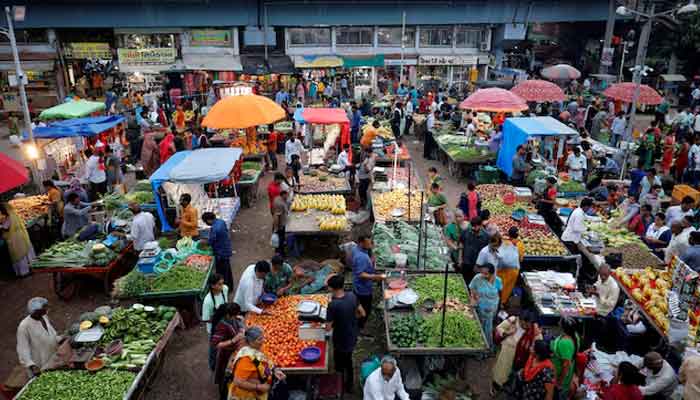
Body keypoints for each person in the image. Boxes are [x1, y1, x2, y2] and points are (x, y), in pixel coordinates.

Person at [326, 274, 363, 393]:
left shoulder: (333, 305)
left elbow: (328, 327)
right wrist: (351, 318)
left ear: (331, 288)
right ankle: (349, 384)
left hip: (341, 338)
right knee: (348, 360)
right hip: (352, 334)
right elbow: (362, 313)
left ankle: (341, 384)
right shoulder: (352, 296)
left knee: (341, 363)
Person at [228, 326, 287, 400]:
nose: (263, 341)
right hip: (247, 395)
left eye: (263, 337)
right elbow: (238, 382)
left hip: (260, 391)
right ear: (251, 341)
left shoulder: (258, 348)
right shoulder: (245, 359)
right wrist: (258, 387)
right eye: (259, 339)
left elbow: (266, 361)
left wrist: (275, 370)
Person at [492, 310, 542, 394]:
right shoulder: (513, 320)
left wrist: (533, 347)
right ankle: (495, 388)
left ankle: (509, 387)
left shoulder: (535, 332)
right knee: (500, 373)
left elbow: (539, 346)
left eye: (527, 324)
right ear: (520, 319)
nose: (524, 326)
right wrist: (507, 333)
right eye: (522, 323)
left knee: (514, 376)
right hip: (506, 354)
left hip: (521, 360)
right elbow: (499, 328)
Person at [16, 297, 61, 377]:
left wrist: (59, 339)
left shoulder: (44, 317)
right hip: (39, 365)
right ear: (36, 311)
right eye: (44, 307)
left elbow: (51, 333)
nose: (47, 309)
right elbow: (23, 349)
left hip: (51, 358)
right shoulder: (24, 326)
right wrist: (31, 365)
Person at [210, 303, 245, 400]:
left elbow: (239, 325)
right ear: (228, 315)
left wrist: (241, 326)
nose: (237, 316)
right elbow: (216, 344)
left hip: (233, 352)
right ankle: (223, 395)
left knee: (231, 376)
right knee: (224, 377)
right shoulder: (222, 325)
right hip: (225, 355)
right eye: (235, 314)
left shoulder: (232, 319)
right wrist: (233, 340)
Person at [352, 235, 385, 331]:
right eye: (369, 243)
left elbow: (360, 266)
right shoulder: (361, 257)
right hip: (363, 288)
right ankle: (359, 326)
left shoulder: (357, 249)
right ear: (361, 243)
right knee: (365, 309)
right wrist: (376, 277)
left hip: (357, 285)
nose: (371, 245)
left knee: (358, 306)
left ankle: (357, 322)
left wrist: (371, 260)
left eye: (371, 242)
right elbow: (361, 274)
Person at [469, 263, 502, 348]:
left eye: (486, 274)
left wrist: (497, 306)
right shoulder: (477, 278)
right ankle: (478, 344)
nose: (483, 275)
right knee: (478, 325)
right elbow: (472, 288)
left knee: (487, 327)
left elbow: (499, 293)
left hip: (491, 308)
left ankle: (487, 345)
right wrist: (474, 297)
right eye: (482, 273)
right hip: (479, 306)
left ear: (492, 273)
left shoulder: (498, 281)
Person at [1, 203, 34, 277]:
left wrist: (1, 226)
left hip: (15, 239)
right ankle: (30, 268)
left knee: (19, 255)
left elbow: (6, 228)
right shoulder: (14, 214)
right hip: (21, 236)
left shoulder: (8, 217)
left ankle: (23, 272)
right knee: (26, 253)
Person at [551, 317, 579, 399]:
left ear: (563, 328)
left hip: (560, 374)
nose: (558, 323)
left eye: (560, 323)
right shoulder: (575, 335)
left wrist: (560, 381)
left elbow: (566, 365)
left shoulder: (564, 343)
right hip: (567, 373)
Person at [203, 212, 233, 289]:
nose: (207, 224)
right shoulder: (221, 221)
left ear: (209, 220)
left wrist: (204, 242)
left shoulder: (215, 228)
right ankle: (230, 286)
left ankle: (224, 288)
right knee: (227, 269)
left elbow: (211, 241)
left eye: (206, 222)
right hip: (226, 248)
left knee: (221, 272)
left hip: (221, 252)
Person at [460, 216, 490, 283]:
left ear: (480, 225)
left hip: (477, 265)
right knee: (464, 281)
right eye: (472, 226)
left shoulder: (486, 236)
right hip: (466, 262)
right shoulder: (466, 232)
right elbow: (461, 244)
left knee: (475, 283)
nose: (473, 228)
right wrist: (460, 258)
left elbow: (487, 253)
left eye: (475, 226)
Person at [497, 232, 520, 306]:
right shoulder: (518, 245)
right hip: (511, 273)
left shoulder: (500, 242)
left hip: (500, 272)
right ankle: (502, 302)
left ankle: (498, 302)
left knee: (498, 287)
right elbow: (520, 258)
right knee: (506, 288)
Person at [272, 190, 289, 256]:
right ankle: (280, 253)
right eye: (287, 194)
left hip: (281, 223)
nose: (288, 196)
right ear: (283, 194)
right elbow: (276, 216)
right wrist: (276, 228)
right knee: (280, 240)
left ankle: (279, 251)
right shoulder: (279, 203)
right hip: (280, 225)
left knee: (281, 239)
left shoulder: (278, 198)